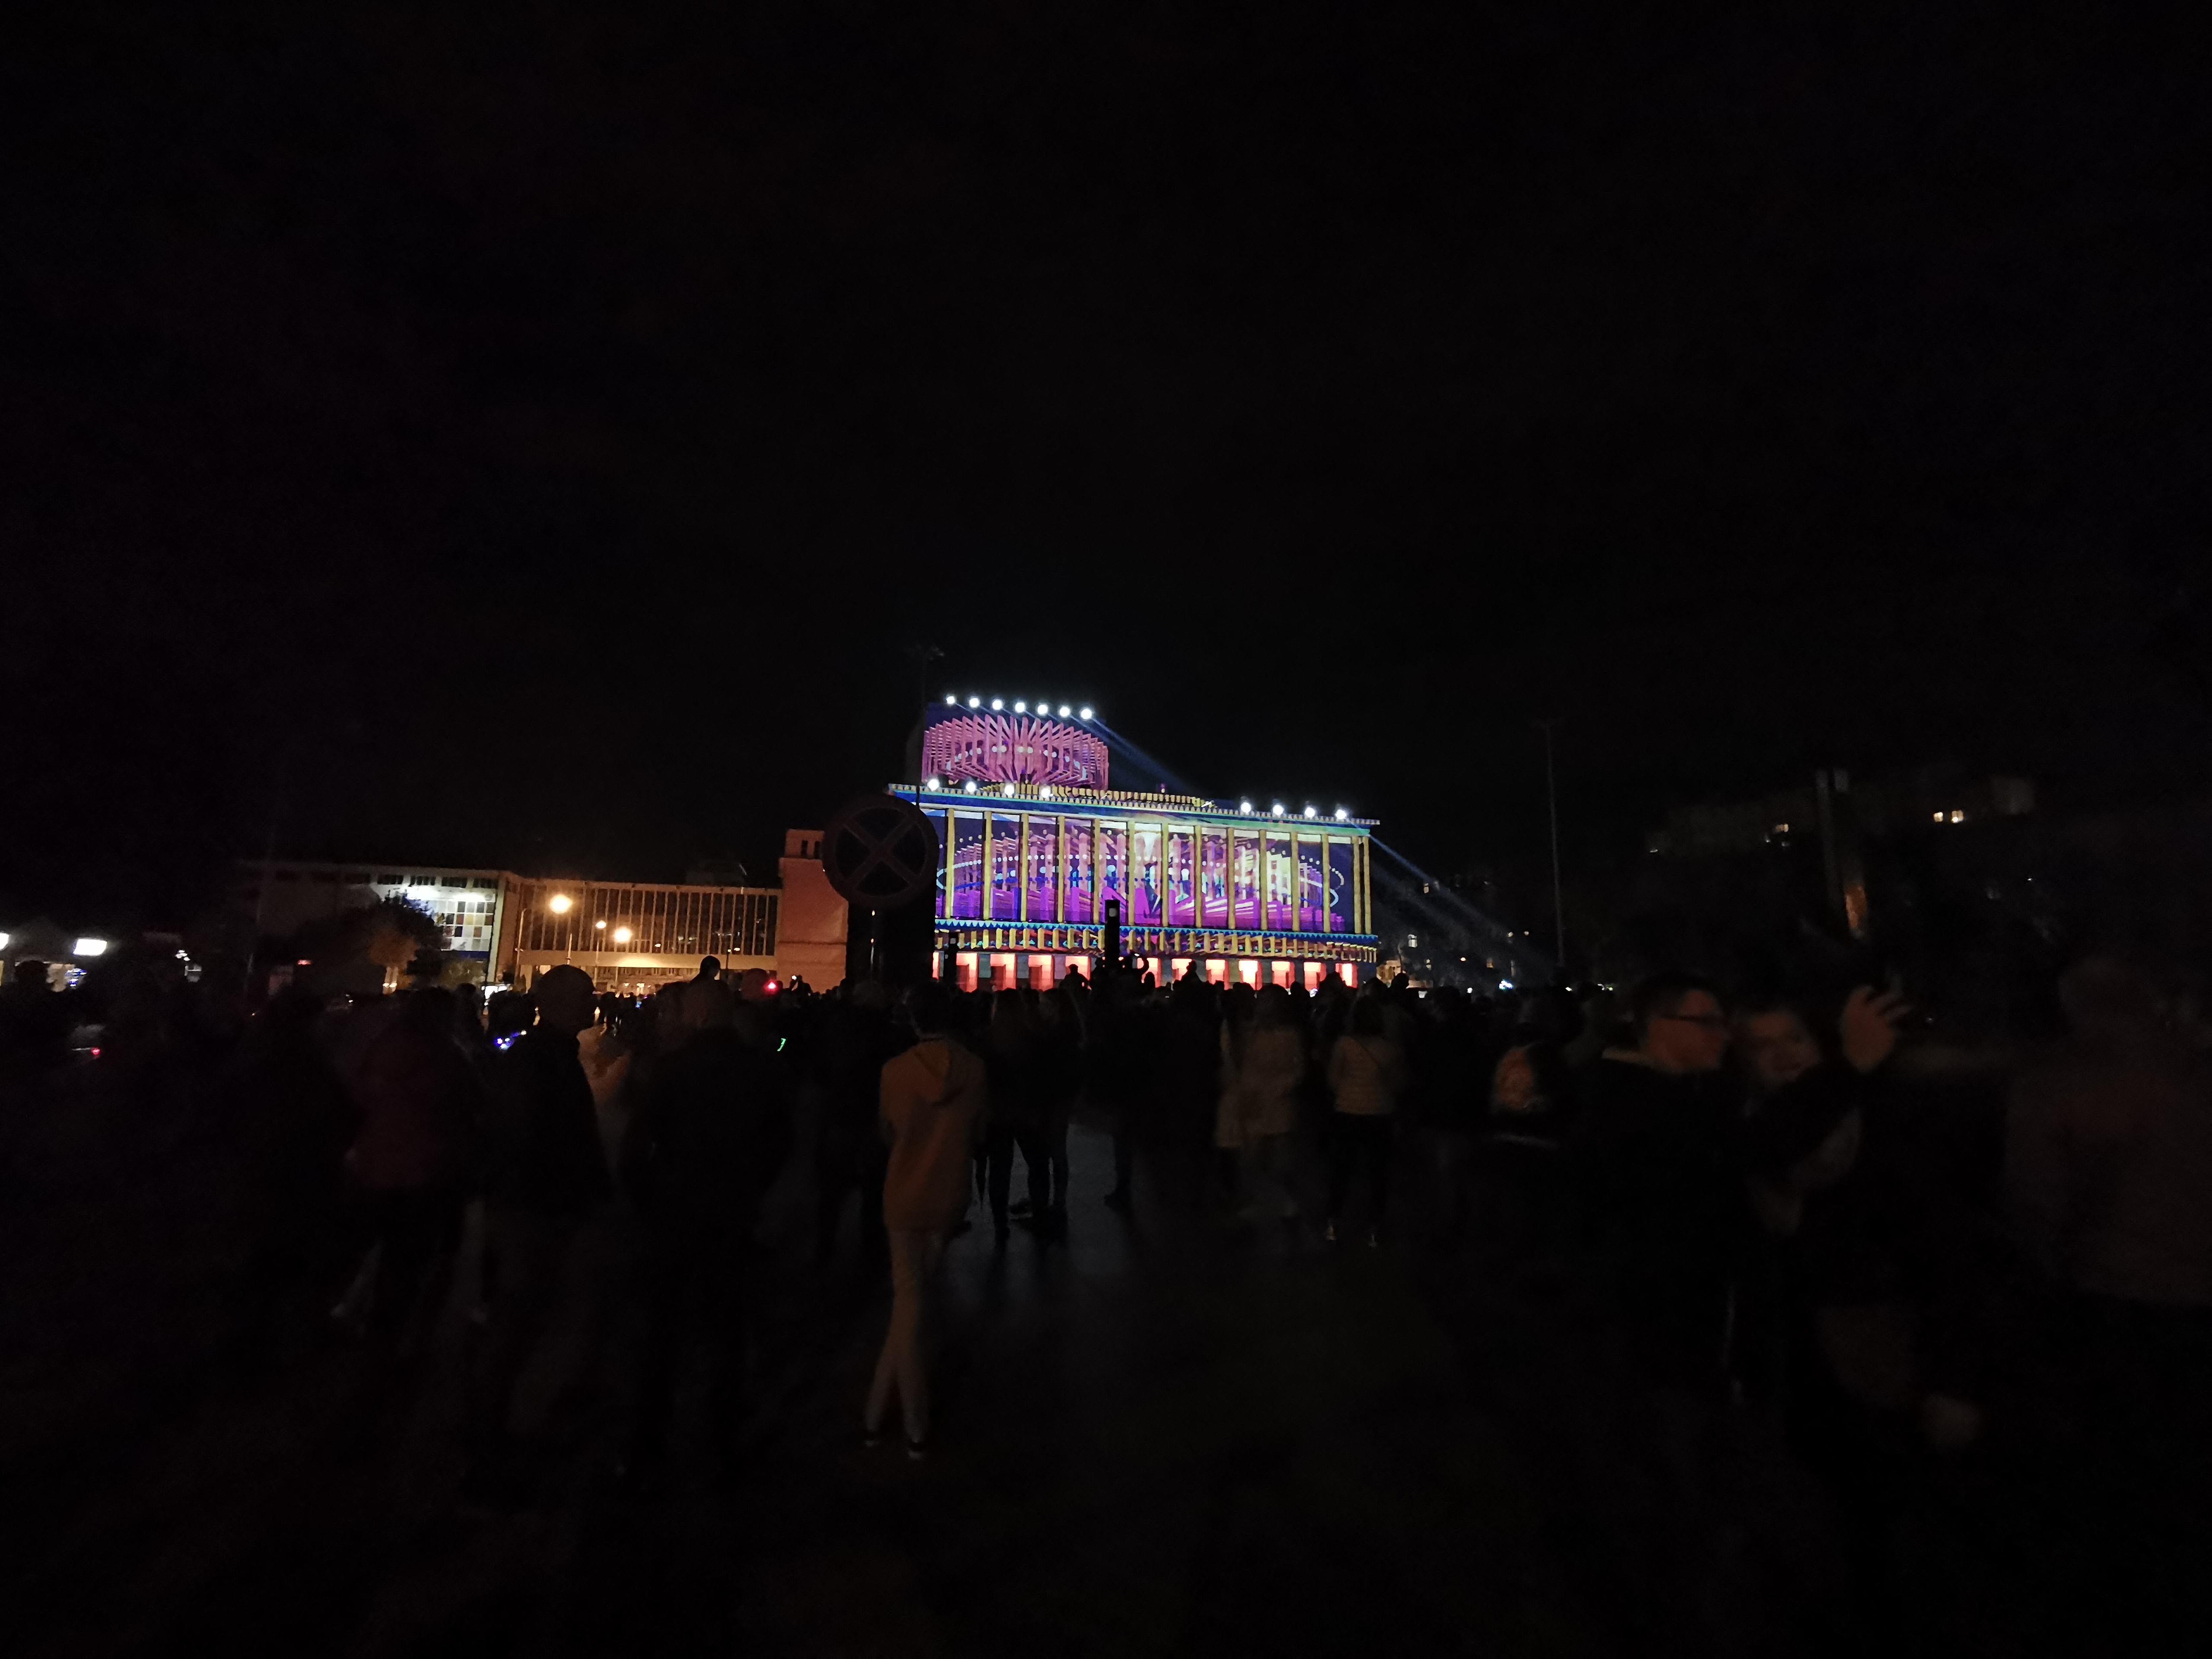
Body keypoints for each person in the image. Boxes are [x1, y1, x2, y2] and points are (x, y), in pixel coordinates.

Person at [620, 977, 791, 1481]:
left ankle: (647, 1445)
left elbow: (636, 1147)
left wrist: (649, 1198)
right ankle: (721, 1442)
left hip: (674, 1212)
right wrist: (752, 1188)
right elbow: (780, 1140)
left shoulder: (672, 1068)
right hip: (732, 1212)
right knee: (725, 1330)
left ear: (694, 1016)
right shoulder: (760, 1069)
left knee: (661, 1332)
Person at [466, 964, 613, 1494]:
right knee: (520, 1319)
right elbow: (530, 1134)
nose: (593, 1003)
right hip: (536, 1206)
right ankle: (490, 1441)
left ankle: (498, 1428)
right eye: (585, 995)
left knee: (525, 1318)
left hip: (536, 1203)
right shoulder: (541, 1059)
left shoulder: (544, 1055)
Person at [866, 982, 988, 1457]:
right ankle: (877, 1411)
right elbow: (980, 1131)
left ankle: (911, 1425)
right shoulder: (974, 1069)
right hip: (950, 1193)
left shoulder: (894, 1071)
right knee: (914, 1303)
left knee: (908, 1307)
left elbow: (886, 1132)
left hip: (903, 1194)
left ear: (913, 1020)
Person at [1324, 995, 1406, 1245]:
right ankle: (1375, 1226)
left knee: (1342, 1169)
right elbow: (1398, 1083)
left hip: (1348, 1110)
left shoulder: (1345, 1044)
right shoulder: (1389, 1047)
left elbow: (1333, 1079)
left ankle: (1334, 1221)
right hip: (1380, 1112)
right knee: (1377, 1172)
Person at [1220, 984, 1305, 1224]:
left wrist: (1284, 1086)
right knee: (1253, 1157)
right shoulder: (1248, 1033)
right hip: (1255, 1099)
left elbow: (1298, 1068)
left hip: (1274, 1100)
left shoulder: (1286, 1035)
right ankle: (1260, 1200)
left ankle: (1276, 1199)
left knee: (1279, 1158)